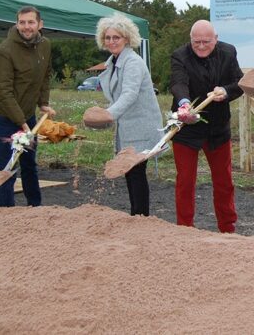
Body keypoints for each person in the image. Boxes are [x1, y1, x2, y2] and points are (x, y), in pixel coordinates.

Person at [169, 20, 243, 232]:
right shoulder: (179, 55)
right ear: (190, 40)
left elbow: (238, 83)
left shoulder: (228, 53)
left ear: (216, 39)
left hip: (218, 129)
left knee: (224, 181)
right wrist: (184, 104)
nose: (201, 46)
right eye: (196, 42)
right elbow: (178, 82)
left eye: (206, 42)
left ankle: (228, 228)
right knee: (185, 181)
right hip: (186, 127)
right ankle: (185, 229)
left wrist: (226, 91)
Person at [0, 6, 57, 207]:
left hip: (27, 115)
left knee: (29, 164)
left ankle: (35, 209)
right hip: (4, 117)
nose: (26, 27)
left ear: (40, 24)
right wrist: (21, 123)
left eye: (31, 22)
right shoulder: (5, 51)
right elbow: (3, 91)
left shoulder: (45, 45)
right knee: (8, 166)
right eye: (22, 22)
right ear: (17, 23)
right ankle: (6, 214)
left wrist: (43, 103)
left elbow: (45, 74)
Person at [96, 13, 162, 216]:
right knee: (130, 172)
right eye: (108, 37)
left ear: (127, 38)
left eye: (116, 37)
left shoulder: (133, 62)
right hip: (127, 127)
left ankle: (140, 218)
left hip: (141, 127)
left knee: (136, 172)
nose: (111, 41)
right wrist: (106, 115)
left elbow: (129, 94)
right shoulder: (113, 62)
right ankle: (137, 216)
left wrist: (108, 114)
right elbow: (116, 96)